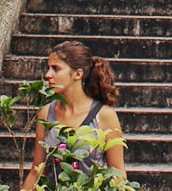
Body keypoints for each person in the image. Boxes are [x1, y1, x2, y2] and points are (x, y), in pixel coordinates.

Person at [20, 41, 125, 190]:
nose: (48, 75)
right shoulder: (46, 112)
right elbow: (37, 171)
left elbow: (118, 173)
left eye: (56, 69)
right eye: (48, 68)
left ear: (78, 74)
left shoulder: (105, 115)